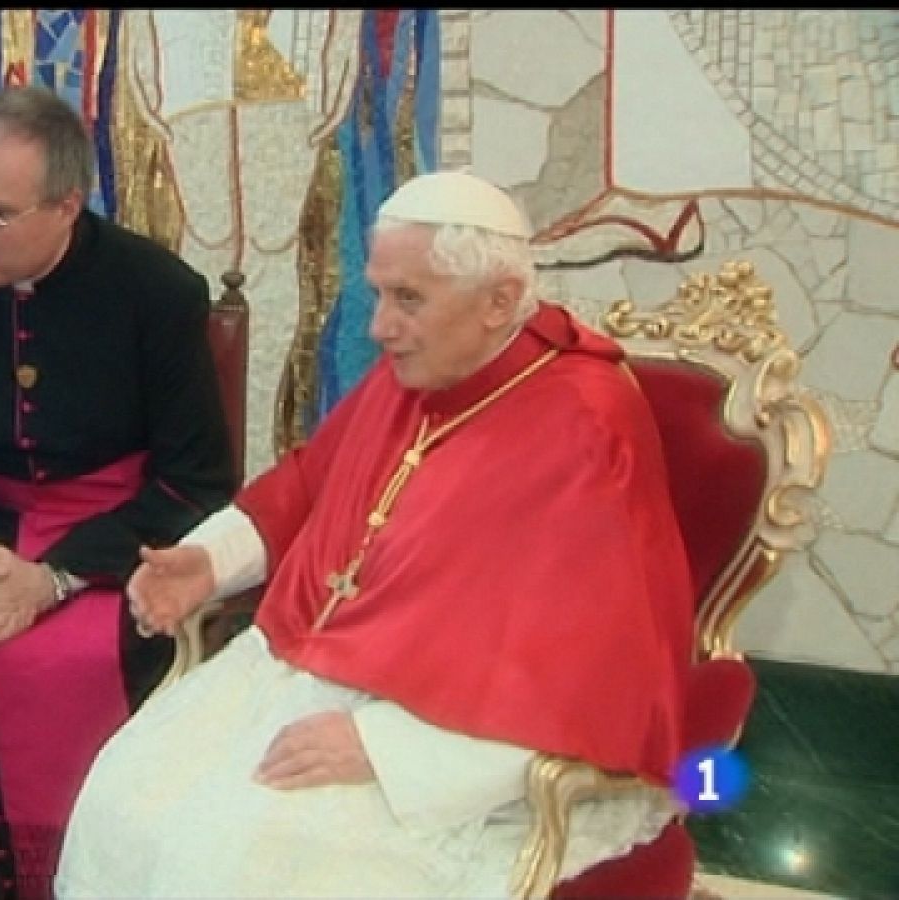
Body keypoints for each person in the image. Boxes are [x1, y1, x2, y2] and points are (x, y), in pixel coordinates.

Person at [55, 169, 695, 897]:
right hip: (317, 670)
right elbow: (311, 484)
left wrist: (392, 750)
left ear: (502, 301)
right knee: (128, 798)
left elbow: (590, 662)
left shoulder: (584, 425)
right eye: (380, 292)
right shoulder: (424, 364)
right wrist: (208, 561)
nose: (378, 326)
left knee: (245, 862)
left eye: (408, 299)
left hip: (457, 737)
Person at [0, 83, 236, 900]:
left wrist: (55, 578)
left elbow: (196, 480)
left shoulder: (158, 292)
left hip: (115, 540)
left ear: (67, 206)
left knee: (125, 640)